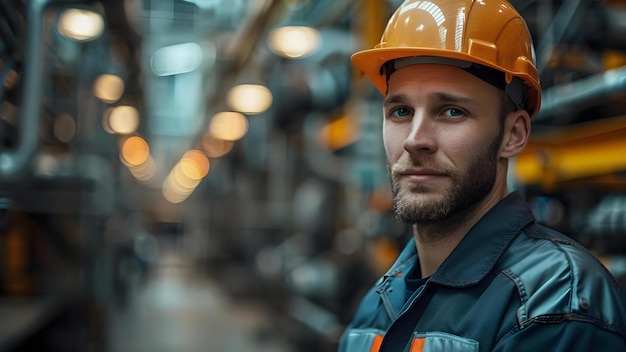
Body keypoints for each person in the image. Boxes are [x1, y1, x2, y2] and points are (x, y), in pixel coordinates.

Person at [339, 0, 626, 351]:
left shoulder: (555, 302)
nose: (415, 140)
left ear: (513, 134)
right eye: (400, 111)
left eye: (451, 111)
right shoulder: (377, 305)